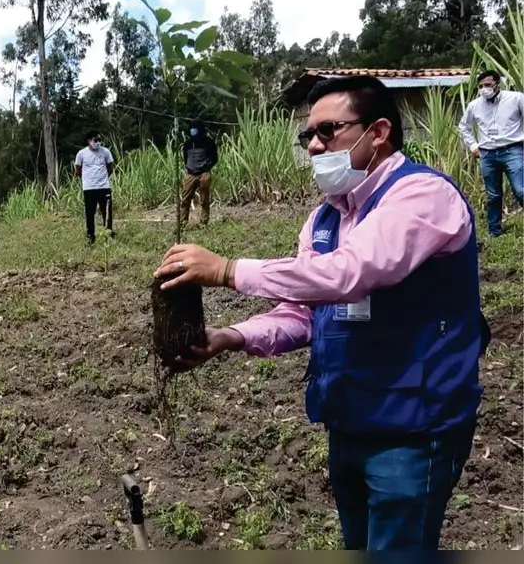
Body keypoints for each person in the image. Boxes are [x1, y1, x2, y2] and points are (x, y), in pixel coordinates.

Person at [153, 75, 489, 551]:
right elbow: (302, 313)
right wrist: (230, 336)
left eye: (327, 131)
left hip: (414, 429)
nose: (313, 145)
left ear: (378, 132)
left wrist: (228, 270)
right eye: (307, 135)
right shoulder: (326, 218)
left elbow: (351, 274)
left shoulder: (420, 196)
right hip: (349, 418)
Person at [457, 69, 524, 237]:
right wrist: (473, 146)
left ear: (497, 84)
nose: (484, 89)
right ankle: (494, 232)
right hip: (487, 155)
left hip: (512, 150)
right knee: (493, 196)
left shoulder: (516, 99)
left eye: (487, 85)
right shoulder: (474, 105)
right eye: (480, 86)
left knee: (520, 190)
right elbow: (463, 126)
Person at [74, 130, 115, 244]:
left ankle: (109, 233)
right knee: (90, 213)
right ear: (89, 141)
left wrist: (102, 178)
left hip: (104, 187)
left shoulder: (106, 152)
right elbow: (77, 170)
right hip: (89, 188)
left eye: (99, 140)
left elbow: (111, 167)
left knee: (106, 211)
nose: (98, 142)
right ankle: (90, 235)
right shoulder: (81, 154)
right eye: (95, 140)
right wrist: (88, 179)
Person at [180, 120, 219, 227]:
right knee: (185, 199)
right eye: (192, 128)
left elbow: (214, 158)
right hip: (190, 174)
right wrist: (189, 167)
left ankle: (203, 222)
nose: (193, 130)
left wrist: (206, 166)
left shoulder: (209, 142)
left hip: (203, 173)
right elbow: (185, 158)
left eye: (195, 128)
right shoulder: (187, 145)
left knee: (204, 199)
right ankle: (183, 222)